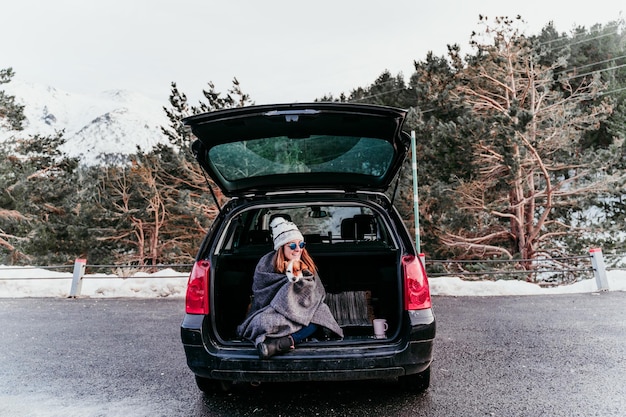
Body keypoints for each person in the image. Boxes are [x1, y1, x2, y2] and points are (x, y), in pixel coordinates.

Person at [237, 216, 343, 359]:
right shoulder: (265, 264)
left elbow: (317, 294)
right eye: (292, 246)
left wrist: (301, 283)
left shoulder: (306, 262)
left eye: (301, 244)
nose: (298, 249)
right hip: (274, 310)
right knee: (262, 323)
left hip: (305, 309)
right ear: (281, 247)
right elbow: (262, 295)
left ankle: (285, 342)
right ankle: (289, 337)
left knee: (322, 314)